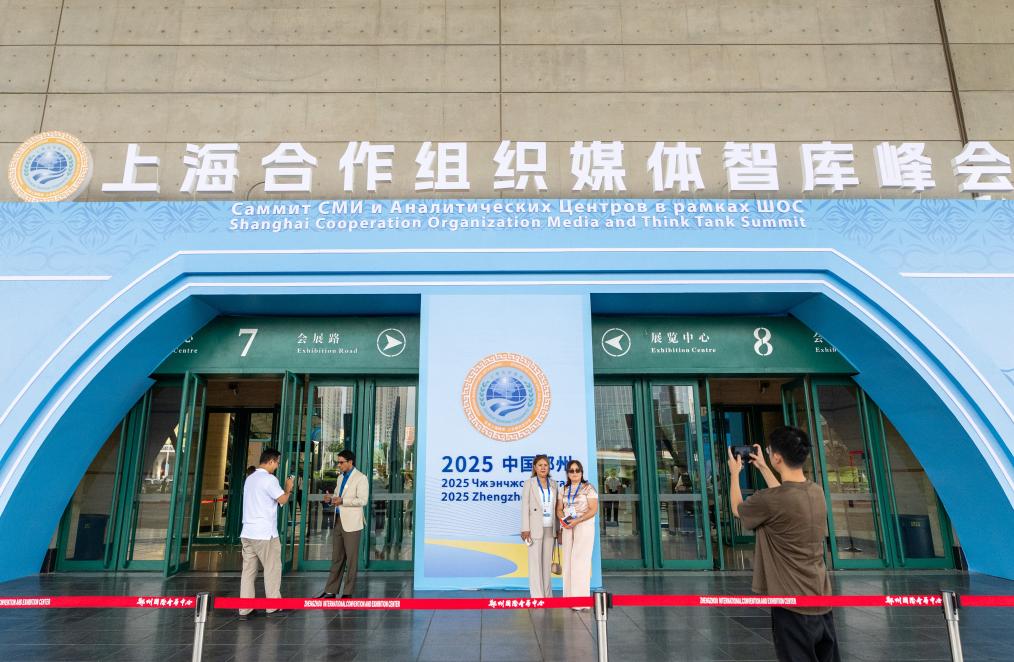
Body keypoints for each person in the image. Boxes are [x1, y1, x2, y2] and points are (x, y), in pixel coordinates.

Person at [729, 426, 841, 662]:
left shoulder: (771, 500)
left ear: (778, 457)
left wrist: (734, 474)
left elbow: (738, 509)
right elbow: (784, 495)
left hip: (792, 605)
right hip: (821, 599)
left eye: (770, 451)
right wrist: (763, 467)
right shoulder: (816, 492)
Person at [239, 448, 293, 620]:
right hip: (264, 533)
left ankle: (245, 608)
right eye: (277, 463)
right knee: (272, 569)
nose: (277, 466)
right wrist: (288, 489)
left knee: (248, 572)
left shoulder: (250, 478)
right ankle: (273, 605)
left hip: (247, 532)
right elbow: (282, 499)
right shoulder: (269, 479)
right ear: (270, 461)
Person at [316, 449, 369, 599]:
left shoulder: (361, 478)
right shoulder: (340, 478)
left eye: (341, 462)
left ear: (350, 462)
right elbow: (337, 496)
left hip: (352, 523)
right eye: (338, 462)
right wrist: (330, 499)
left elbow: (363, 500)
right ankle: (331, 591)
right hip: (338, 520)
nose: (338, 465)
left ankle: (347, 592)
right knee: (336, 558)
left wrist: (343, 501)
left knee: (351, 560)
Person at [557, 459, 598, 611]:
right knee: (568, 560)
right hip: (568, 526)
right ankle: (568, 599)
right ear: (567, 473)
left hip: (584, 525)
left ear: (581, 472)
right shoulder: (563, 489)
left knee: (580, 561)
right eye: (571, 471)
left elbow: (593, 509)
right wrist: (564, 520)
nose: (574, 473)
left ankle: (580, 601)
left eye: (577, 470)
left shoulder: (588, 488)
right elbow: (559, 509)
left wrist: (578, 520)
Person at [520, 454, 557, 598]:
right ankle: (537, 596)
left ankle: (548, 596)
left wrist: (558, 530)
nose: (543, 468)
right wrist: (525, 528)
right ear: (535, 467)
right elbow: (525, 507)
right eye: (540, 465)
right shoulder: (529, 483)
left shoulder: (553, 484)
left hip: (550, 528)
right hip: (534, 528)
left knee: (546, 565)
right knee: (535, 564)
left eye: (545, 465)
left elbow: (556, 507)